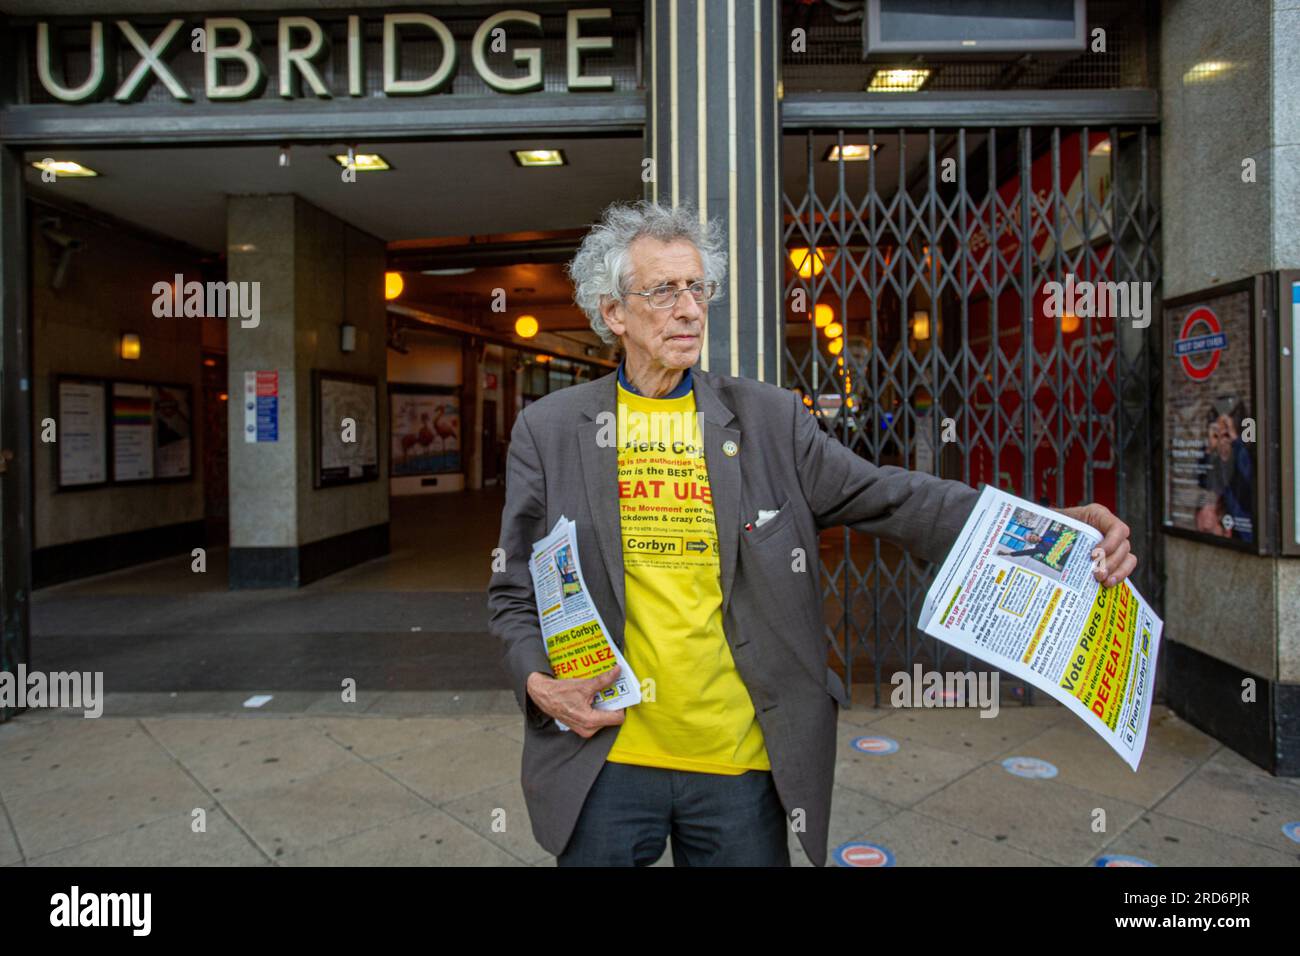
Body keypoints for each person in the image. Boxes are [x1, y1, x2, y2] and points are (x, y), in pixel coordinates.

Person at [486, 199, 1137, 867]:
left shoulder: (769, 420)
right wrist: (538, 682)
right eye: (663, 291)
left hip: (740, 762)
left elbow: (893, 497)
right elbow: (513, 590)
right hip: (605, 759)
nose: (689, 310)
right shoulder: (551, 429)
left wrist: (1045, 525)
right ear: (614, 312)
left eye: (697, 288)